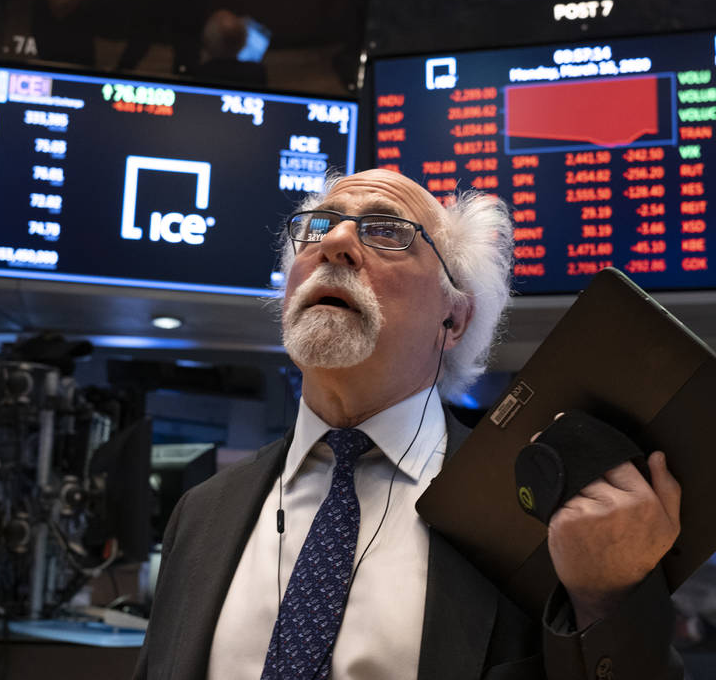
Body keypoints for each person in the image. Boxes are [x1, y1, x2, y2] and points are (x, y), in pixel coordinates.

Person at [134, 168, 683, 679]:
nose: (335, 243)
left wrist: (606, 601)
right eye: (319, 226)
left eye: (387, 231)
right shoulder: (203, 512)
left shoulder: (535, 516)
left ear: (454, 317)